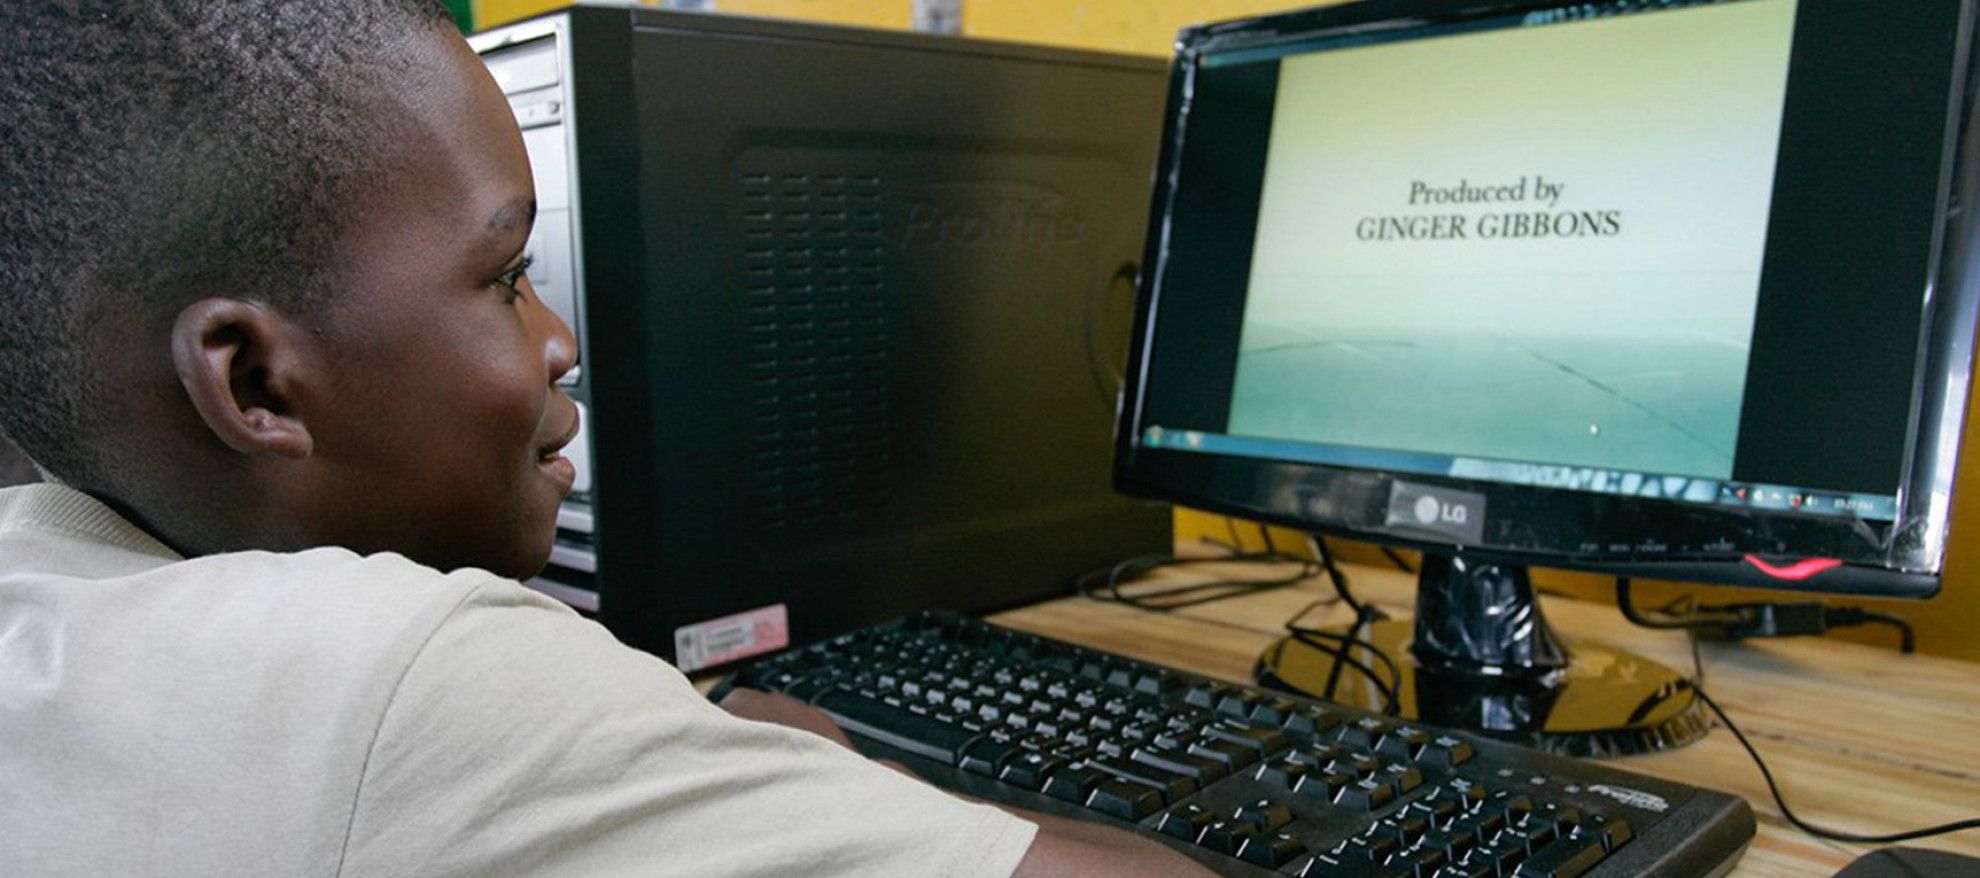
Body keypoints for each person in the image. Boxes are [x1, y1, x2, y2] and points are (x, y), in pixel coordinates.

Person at [0, 3, 1214, 876]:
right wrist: (856, 789)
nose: (560, 339)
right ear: (256, 379)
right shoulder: (400, 675)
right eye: (506, 275)